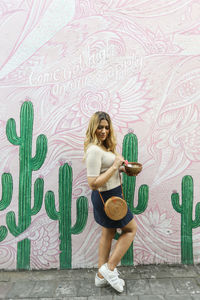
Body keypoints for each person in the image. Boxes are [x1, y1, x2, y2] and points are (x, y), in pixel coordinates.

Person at [84, 111, 137, 293]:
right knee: (131, 229)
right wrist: (115, 165)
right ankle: (110, 268)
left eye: (106, 127)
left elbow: (108, 170)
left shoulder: (104, 148)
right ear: (94, 128)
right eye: (100, 127)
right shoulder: (93, 151)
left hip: (112, 194)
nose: (104, 130)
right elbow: (92, 183)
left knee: (108, 233)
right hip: (107, 198)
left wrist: (123, 169)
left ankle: (100, 277)